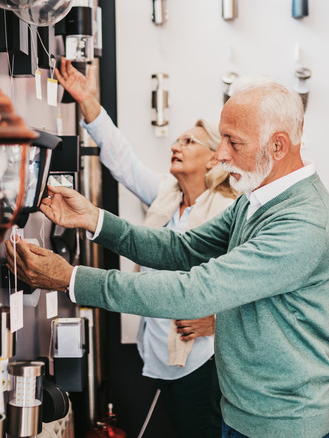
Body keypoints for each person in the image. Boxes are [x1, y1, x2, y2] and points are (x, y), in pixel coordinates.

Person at [6, 76, 329, 438]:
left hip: (284, 427)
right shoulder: (256, 201)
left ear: (278, 146)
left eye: (233, 142)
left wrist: (71, 279)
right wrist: (93, 219)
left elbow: (196, 291)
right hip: (241, 413)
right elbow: (181, 248)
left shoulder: (306, 223)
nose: (221, 154)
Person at [55, 58, 236, 438]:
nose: (176, 145)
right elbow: (122, 161)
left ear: (213, 159)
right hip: (159, 352)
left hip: (200, 359)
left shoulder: (227, 210)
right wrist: (88, 101)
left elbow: (247, 281)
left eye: (189, 141)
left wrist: (219, 322)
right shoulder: (167, 195)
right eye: (177, 139)